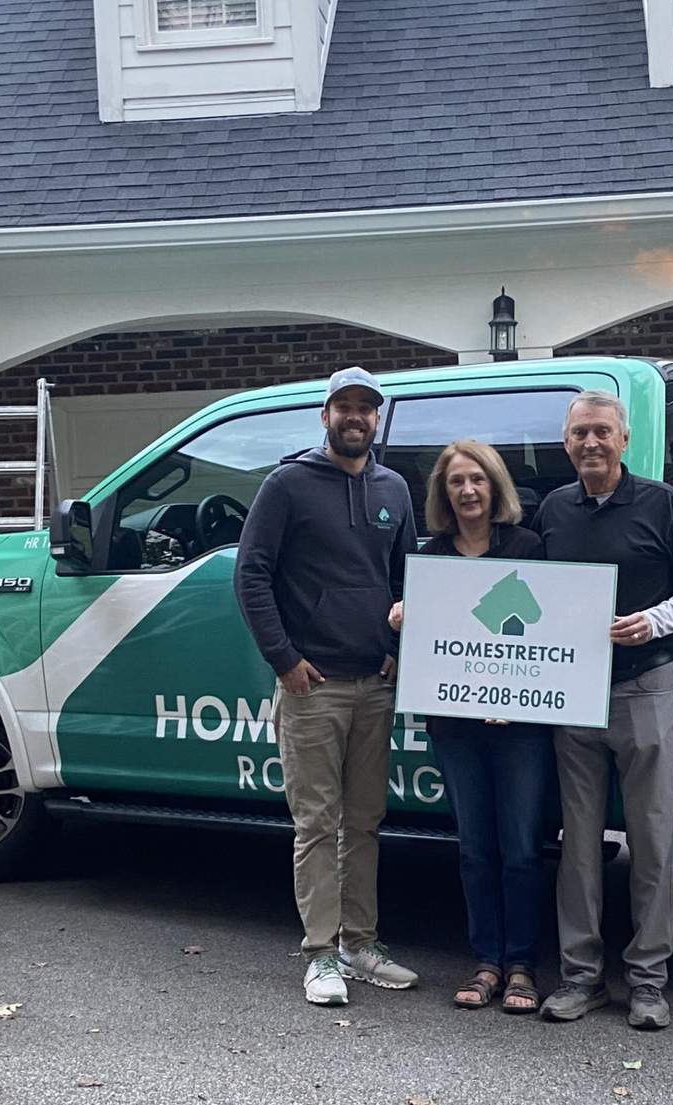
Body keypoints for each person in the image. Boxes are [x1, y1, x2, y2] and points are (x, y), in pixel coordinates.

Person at [233, 366, 419, 1006]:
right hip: (313, 687)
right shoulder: (287, 485)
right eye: (344, 406)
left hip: (375, 683)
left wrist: (396, 649)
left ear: (377, 419)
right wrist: (284, 659)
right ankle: (319, 956)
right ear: (326, 415)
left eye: (366, 408)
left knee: (364, 821)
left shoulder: (394, 487)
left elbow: (407, 583)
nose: (355, 417)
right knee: (316, 822)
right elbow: (251, 575)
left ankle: (359, 945)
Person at [533, 390, 673, 1030]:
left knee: (654, 842)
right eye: (579, 433)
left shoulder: (663, 503)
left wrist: (653, 620)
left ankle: (648, 982)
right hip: (573, 695)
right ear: (566, 443)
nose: (590, 443)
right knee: (578, 848)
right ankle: (580, 978)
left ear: (624, 440)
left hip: (647, 686)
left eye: (602, 432)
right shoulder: (554, 510)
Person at [388, 440, 551, 1013]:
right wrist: (403, 618)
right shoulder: (430, 561)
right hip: (456, 725)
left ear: (495, 485)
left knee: (523, 848)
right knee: (475, 848)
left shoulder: (529, 549)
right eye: (456, 481)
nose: (468, 490)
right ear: (443, 492)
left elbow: (550, 633)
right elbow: (428, 649)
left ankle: (523, 966)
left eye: (478, 479)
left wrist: (515, 695)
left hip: (521, 725)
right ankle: (485, 962)